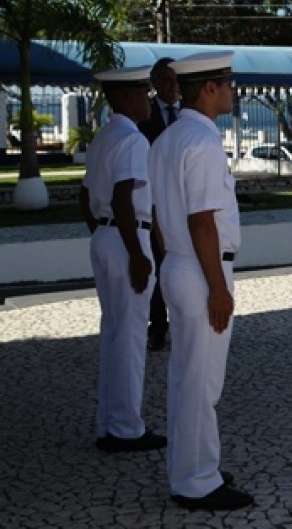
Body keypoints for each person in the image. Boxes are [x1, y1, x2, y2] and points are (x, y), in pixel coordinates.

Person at [148, 51, 253, 511]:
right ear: (209, 89)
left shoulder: (167, 139)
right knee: (201, 383)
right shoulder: (203, 142)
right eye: (227, 84)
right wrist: (218, 287)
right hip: (201, 268)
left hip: (178, 263)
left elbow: (158, 215)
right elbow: (202, 220)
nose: (232, 92)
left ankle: (192, 468)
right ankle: (196, 482)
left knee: (187, 378)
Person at [78, 65, 167, 455]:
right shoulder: (133, 140)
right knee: (129, 339)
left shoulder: (103, 137)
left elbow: (85, 196)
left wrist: (102, 233)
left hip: (106, 236)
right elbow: (122, 197)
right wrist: (136, 253)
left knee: (114, 335)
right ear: (130, 98)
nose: (149, 101)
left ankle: (110, 424)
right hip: (126, 238)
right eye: (145, 94)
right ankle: (126, 429)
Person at [138, 57, 181, 352]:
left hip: (185, 204)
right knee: (157, 264)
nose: (172, 86)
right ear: (154, 83)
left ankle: (184, 323)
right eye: (166, 80)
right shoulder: (144, 115)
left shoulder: (189, 113)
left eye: (176, 80)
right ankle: (158, 326)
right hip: (154, 202)